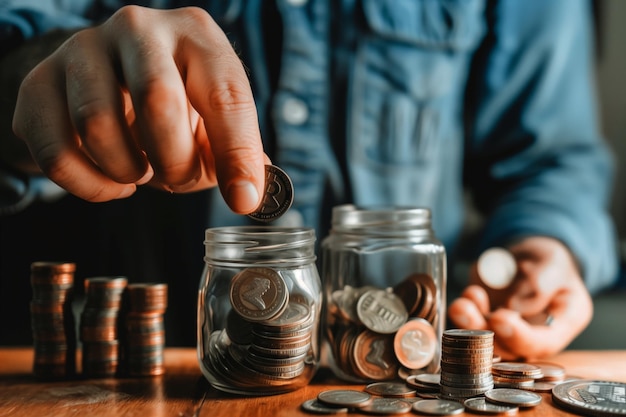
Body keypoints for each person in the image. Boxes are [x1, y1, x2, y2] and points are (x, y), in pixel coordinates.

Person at [0, 1, 618, 360]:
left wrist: (550, 245)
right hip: (146, 365)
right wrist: (51, 79)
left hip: (404, 361)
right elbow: (17, 62)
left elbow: (553, 158)